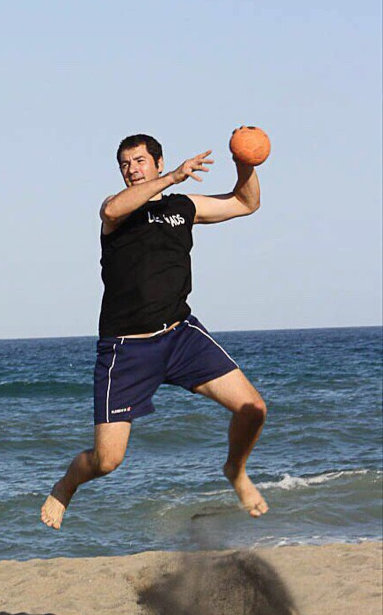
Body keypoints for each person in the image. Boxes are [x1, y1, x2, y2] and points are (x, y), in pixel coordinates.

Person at [41, 132, 268, 530]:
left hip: (181, 337)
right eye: (125, 164)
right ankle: (66, 485)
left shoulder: (183, 207)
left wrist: (244, 163)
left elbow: (246, 203)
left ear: (158, 162)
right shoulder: (117, 212)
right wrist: (174, 177)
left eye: (140, 161)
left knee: (253, 410)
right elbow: (111, 208)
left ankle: (235, 469)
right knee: (107, 461)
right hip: (127, 349)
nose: (132, 169)